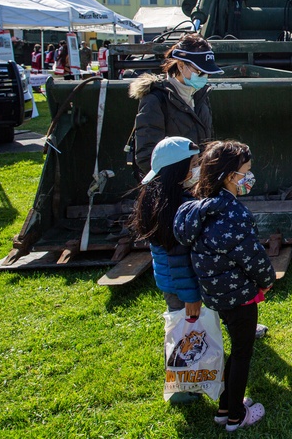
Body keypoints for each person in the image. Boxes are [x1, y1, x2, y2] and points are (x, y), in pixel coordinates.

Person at [174, 140, 274, 431]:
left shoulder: (198, 210)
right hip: (240, 296)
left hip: (216, 296)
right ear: (231, 176)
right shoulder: (233, 215)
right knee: (242, 353)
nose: (249, 177)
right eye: (247, 171)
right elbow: (252, 257)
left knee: (235, 349)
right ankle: (235, 417)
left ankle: (224, 408)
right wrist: (266, 281)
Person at [127, 136, 203, 403]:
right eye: (193, 164)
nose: (198, 169)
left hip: (172, 282)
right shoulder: (173, 208)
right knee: (183, 332)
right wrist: (191, 295)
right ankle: (181, 388)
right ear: (177, 169)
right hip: (181, 285)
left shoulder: (157, 197)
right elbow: (178, 259)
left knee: (183, 328)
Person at [129, 33, 223, 177]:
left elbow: (208, 141)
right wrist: (179, 180)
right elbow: (147, 155)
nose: (204, 77)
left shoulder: (201, 95)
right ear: (180, 65)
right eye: (199, 71)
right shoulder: (155, 99)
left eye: (207, 73)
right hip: (172, 186)